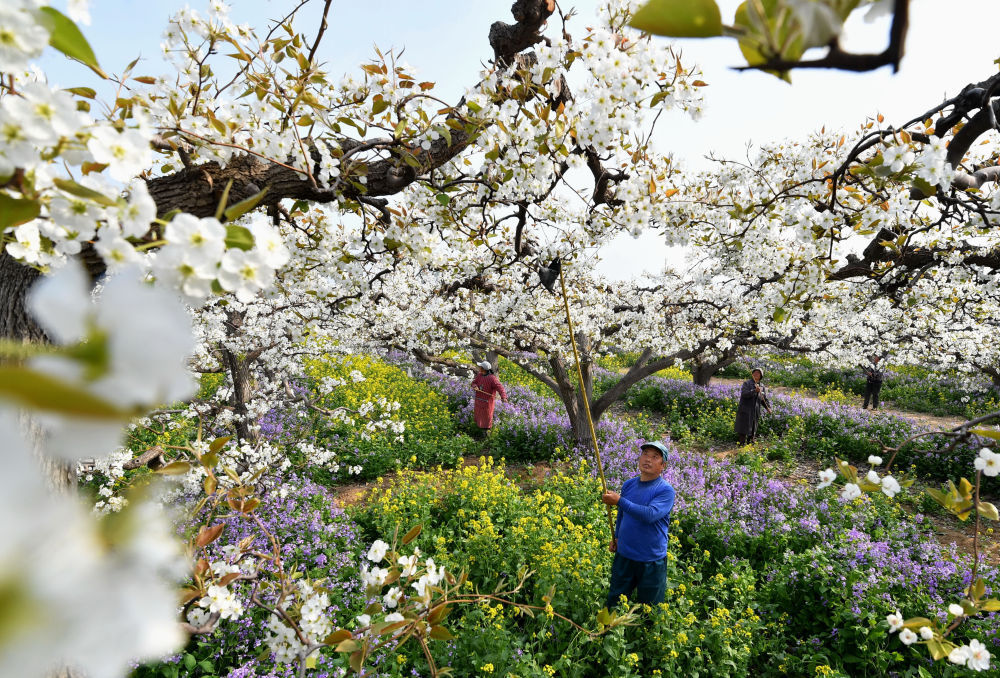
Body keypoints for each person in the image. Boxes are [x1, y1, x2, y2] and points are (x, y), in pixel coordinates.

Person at [602, 441, 676, 610]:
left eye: (655, 457)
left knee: (650, 607)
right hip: (625, 555)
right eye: (645, 454)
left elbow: (650, 515)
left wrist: (619, 500)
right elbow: (622, 514)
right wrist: (617, 537)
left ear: (662, 465)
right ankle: (609, 631)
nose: (648, 459)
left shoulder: (665, 490)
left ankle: (647, 635)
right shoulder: (629, 484)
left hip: (651, 559)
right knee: (615, 600)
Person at [734, 367, 772, 445]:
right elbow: (744, 394)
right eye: (754, 372)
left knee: (753, 426)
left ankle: (751, 442)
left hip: (755, 410)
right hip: (745, 409)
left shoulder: (762, 386)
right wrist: (754, 391)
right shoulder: (747, 383)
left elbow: (763, 399)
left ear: (761, 376)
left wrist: (768, 407)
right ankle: (741, 443)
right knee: (743, 426)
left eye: (758, 373)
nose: (755, 374)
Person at [471, 360, 507, 433]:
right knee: (479, 417)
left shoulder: (492, 378)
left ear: (483, 369)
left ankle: (487, 435)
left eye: (480, 367)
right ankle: (479, 432)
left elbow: (500, 388)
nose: (479, 368)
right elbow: (474, 383)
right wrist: (475, 386)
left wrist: (503, 397)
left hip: (487, 402)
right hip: (478, 400)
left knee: (486, 418)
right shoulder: (480, 375)